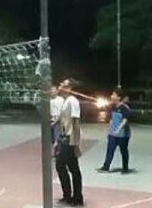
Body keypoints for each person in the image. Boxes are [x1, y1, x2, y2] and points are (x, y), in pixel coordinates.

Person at [55, 78, 84, 207]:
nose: (60, 85)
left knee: (70, 167)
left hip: (70, 138)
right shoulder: (65, 101)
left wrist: (76, 144)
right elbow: (62, 121)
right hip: (64, 137)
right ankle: (70, 196)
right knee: (66, 166)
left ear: (69, 88)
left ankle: (76, 198)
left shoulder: (73, 101)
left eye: (64, 84)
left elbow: (76, 123)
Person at [97, 88, 131, 174]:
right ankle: (106, 167)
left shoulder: (124, 108)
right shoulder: (113, 107)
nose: (112, 96)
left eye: (114, 95)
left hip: (123, 135)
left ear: (119, 97)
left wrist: (118, 129)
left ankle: (125, 168)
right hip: (113, 134)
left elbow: (125, 120)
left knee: (123, 151)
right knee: (110, 150)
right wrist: (110, 129)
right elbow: (112, 118)